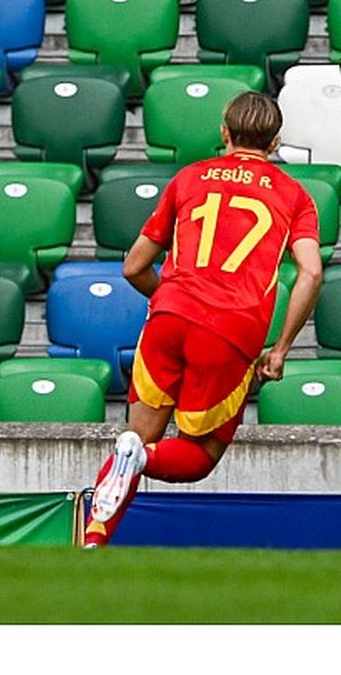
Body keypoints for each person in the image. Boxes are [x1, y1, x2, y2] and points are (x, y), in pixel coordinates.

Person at [83, 92, 323, 548]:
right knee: (199, 453)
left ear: (224, 133)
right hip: (231, 328)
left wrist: (174, 299)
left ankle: (94, 540)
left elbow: (133, 266)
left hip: (169, 316)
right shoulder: (295, 195)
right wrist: (281, 350)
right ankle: (142, 461)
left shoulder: (189, 178)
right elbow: (311, 271)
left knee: (136, 436)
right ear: (274, 144)